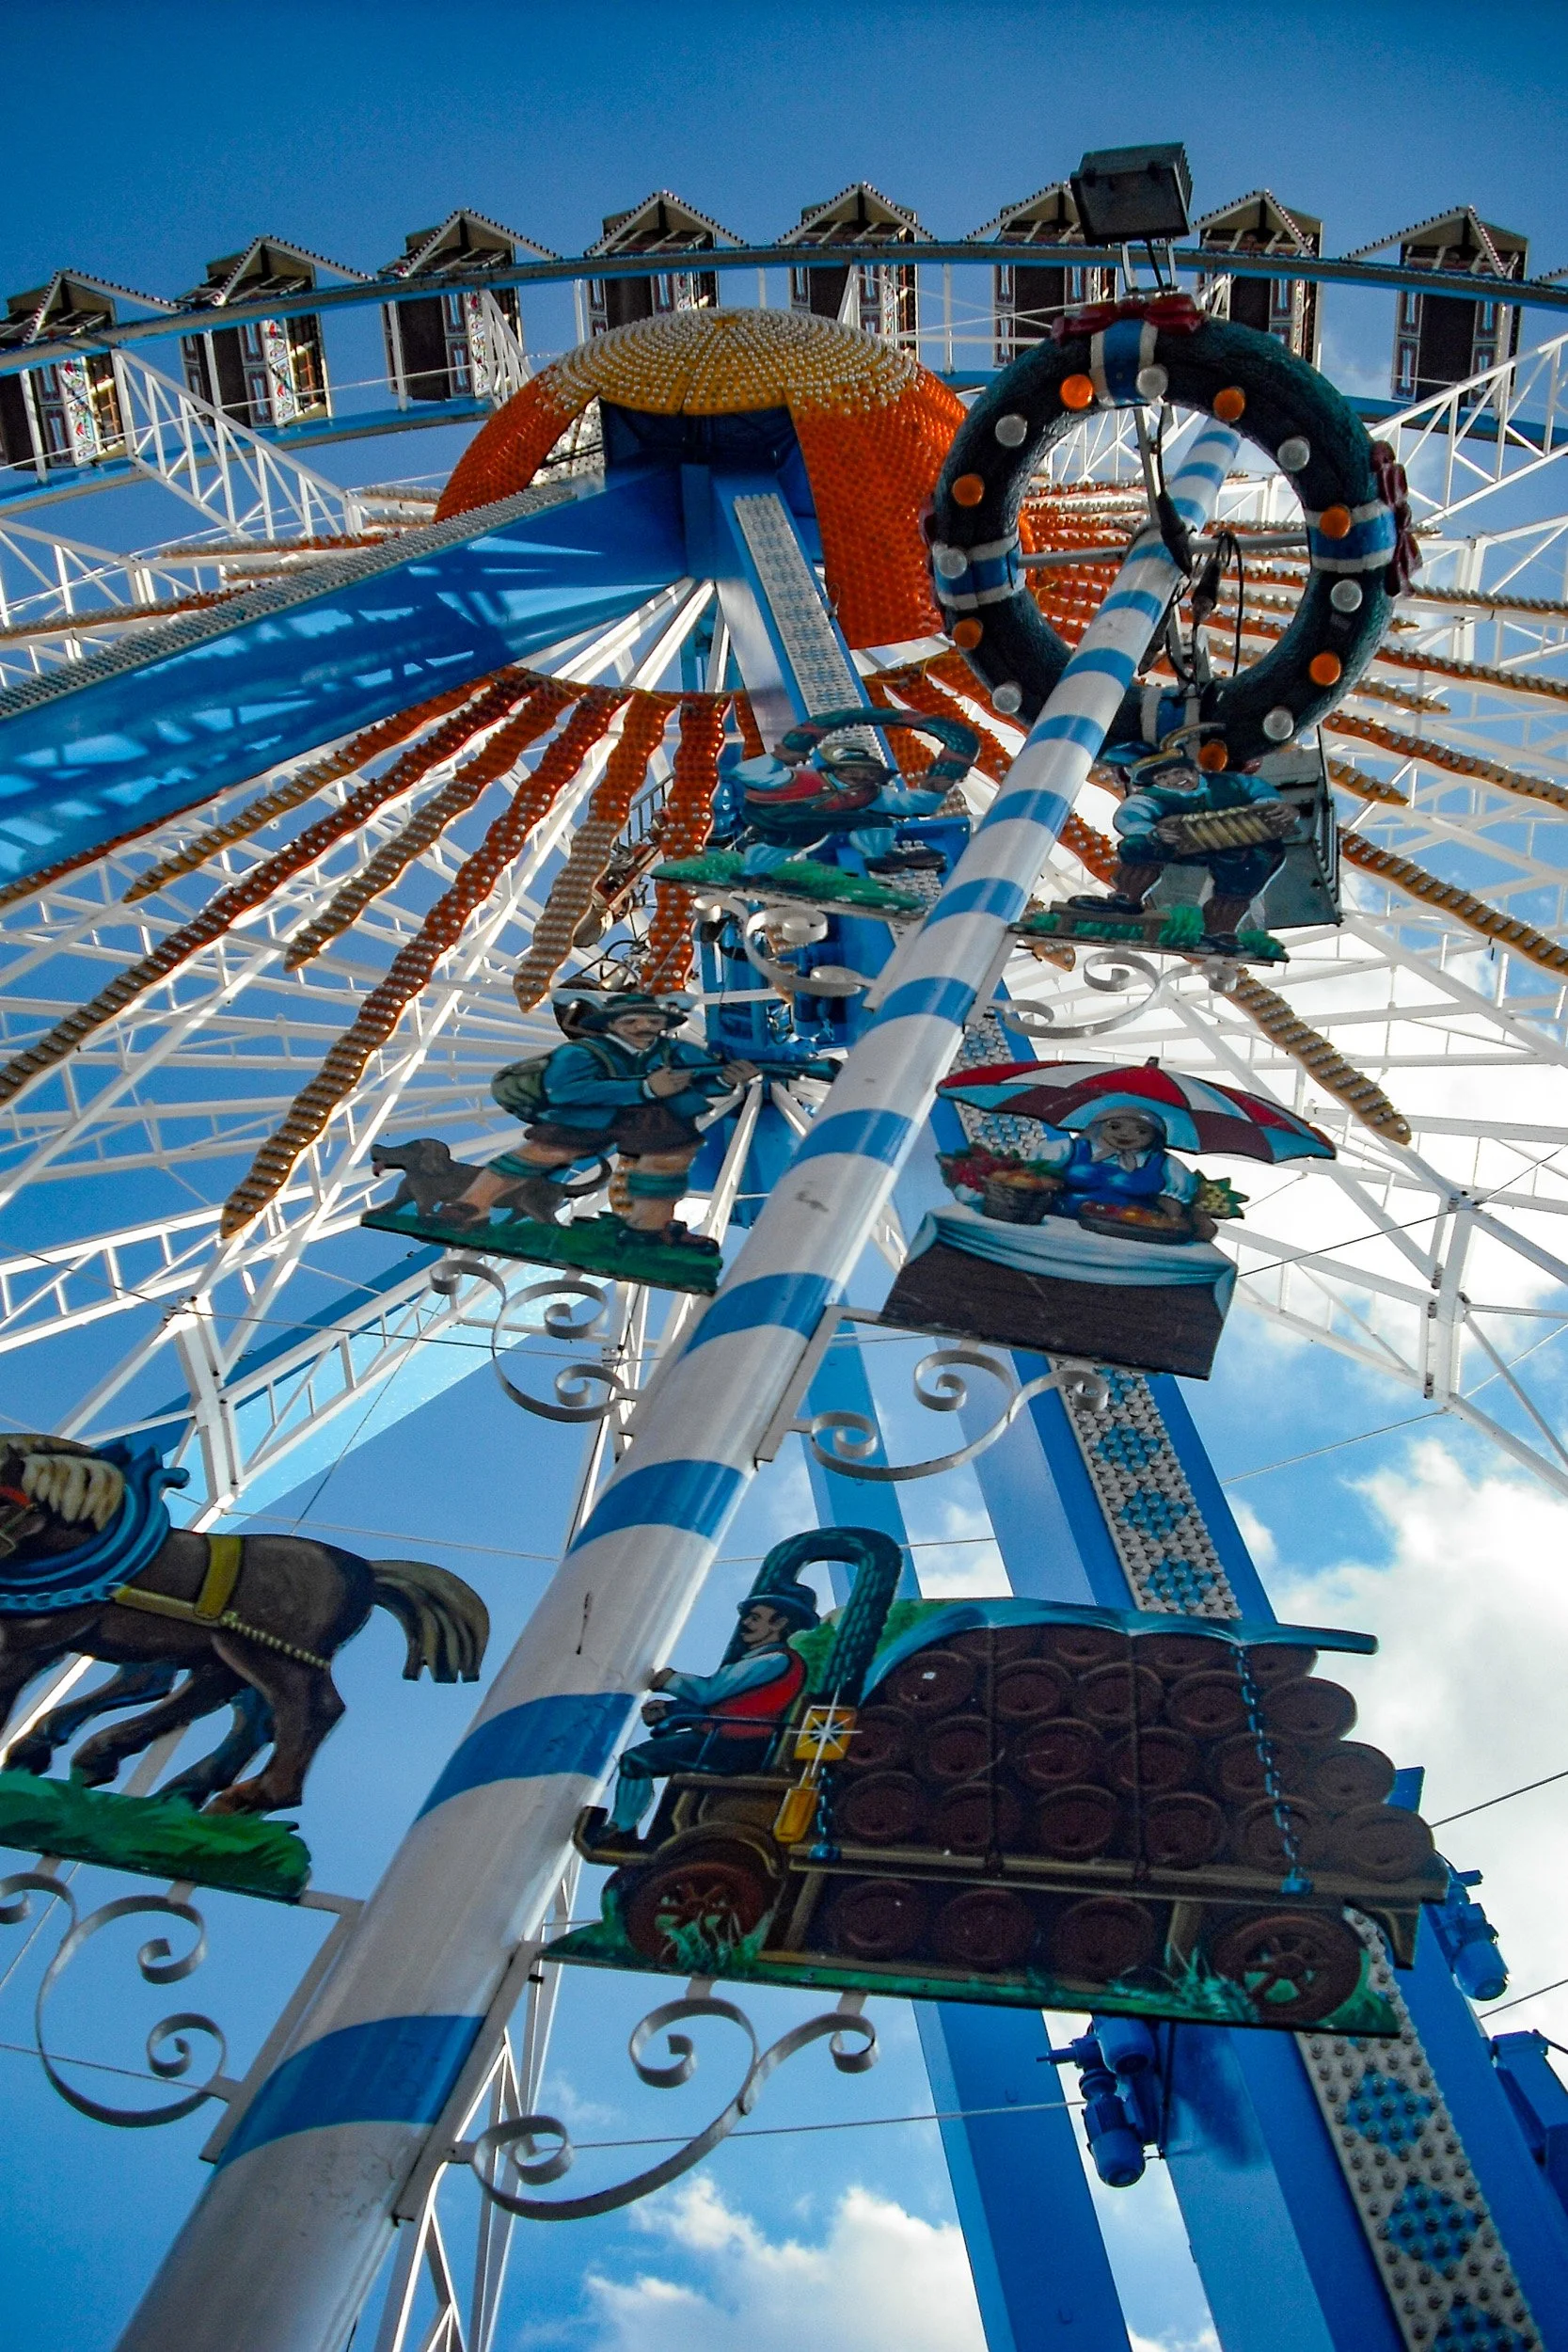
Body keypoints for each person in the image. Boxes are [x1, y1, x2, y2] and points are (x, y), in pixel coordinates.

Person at [452, 989, 758, 1252]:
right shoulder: (581, 1052)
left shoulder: (676, 1051)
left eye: (653, 1021)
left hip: (651, 1119)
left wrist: (727, 1081)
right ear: (612, 1025)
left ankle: (649, 1230)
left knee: (668, 1160)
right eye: (632, 1021)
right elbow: (561, 1091)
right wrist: (645, 1088)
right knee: (545, 1154)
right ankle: (470, 1205)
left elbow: (705, 1081)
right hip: (586, 1117)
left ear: (665, 1024)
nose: (643, 1027)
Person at [600, 1585, 821, 1845]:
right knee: (645, 1757)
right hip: (727, 1740)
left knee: (636, 1760)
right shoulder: (760, 1659)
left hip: (735, 1748)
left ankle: (621, 1831)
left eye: (755, 1617)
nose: (746, 1624)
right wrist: (670, 1710)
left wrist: (670, 1680)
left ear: (780, 1622)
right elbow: (731, 1705)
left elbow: (711, 1692)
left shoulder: (774, 1661)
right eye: (748, 1617)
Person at [1069, 739, 1291, 955]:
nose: (1174, 780)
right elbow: (1130, 816)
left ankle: (1221, 931)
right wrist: (1152, 833)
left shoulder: (1229, 783)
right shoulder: (1152, 797)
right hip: (1181, 843)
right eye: (1163, 777)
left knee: (1252, 865)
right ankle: (1127, 899)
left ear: (1194, 771)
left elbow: (1262, 793)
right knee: (1139, 845)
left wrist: (1274, 807)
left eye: (1178, 772)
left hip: (1236, 845)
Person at [736, 741, 949, 878]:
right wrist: (776, 758)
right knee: (866, 820)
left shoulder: (870, 793)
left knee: (788, 843)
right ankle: (749, 866)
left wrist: (934, 792)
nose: (864, 776)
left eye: (870, 772)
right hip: (776, 814)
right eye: (858, 769)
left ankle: (751, 872)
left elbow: (904, 805)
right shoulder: (802, 777)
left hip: (811, 826)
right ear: (838, 769)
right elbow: (745, 773)